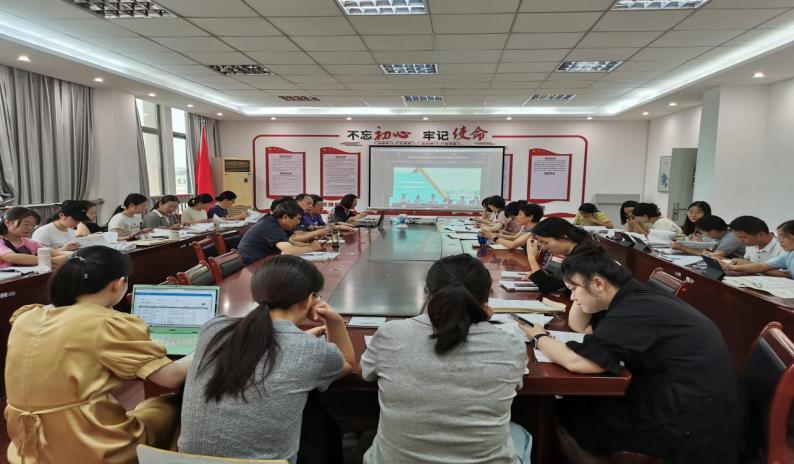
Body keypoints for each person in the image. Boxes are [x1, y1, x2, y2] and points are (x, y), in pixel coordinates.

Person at [520, 248, 740, 463]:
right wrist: (580, 290)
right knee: (574, 404)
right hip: (688, 396)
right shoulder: (631, 295)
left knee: (566, 409)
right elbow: (578, 325)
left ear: (598, 284)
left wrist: (538, 336)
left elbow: (579, 362)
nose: (572, 297)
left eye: (574, 289)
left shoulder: (633, 310)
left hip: (688, 419)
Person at [5, 246, 192, 464]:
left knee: (145, 408)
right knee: (172, 406)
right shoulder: (106, 323)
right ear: (118, 284)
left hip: (26, 445)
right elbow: (169, 378)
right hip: (91, 445)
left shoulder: (26, 317)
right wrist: (208, 343)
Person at [179, 255, 354, 462]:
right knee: (316, 418)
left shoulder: (213, 329)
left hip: (180, 460)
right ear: (309, 300)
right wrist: (335, 321)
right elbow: (347, 363)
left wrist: (301, 338)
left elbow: (261, 348)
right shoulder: (312, 351)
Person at [361, 254, 532, 464]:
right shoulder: (511, 344)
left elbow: (366, 373)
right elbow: (517, 384)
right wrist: (482, 322)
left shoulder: (390, 334)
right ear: (487, 298)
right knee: (519, 433)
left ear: (427, 293)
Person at [236, 200, 324, 264]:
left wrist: (309, 245)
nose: (298, 222)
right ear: (285, 217)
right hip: (251, 263)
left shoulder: (277, 223)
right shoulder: (270, 225)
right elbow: (289, 250)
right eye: (298, 219)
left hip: (264, 260)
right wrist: (312, 248)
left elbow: (291, 242)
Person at [523, 217, 596, 293]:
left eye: (546, 243)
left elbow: (547, 286)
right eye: (541, 243)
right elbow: (559, 281)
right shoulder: (580, 249)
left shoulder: (583, 257)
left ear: (564, 237)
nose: (544, 248)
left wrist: (531, 257)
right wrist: (542, 273)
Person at [1, 207, 71, 269]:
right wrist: (52, 260)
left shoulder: (27, 242)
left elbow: (51, 251)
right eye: (26, 224)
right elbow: (10, 256)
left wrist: (74, 255)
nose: (30, 228)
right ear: (8, 223)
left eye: (33, 225)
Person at [725, 220, 794, 278]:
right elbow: (761, 266)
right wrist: (733, 267)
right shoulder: (788, 254)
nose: (780, 240)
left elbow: (786, 275)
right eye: (779, 237)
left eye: (783, 237)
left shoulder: (783, 250)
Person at [672, 215, 745, 258]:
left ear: (713, 232)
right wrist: (699, 243)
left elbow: (712, 256)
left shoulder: (730, 238)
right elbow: (710, 252)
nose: (703, 235)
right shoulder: (721, 235)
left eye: (702, 233)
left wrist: (683, 248)